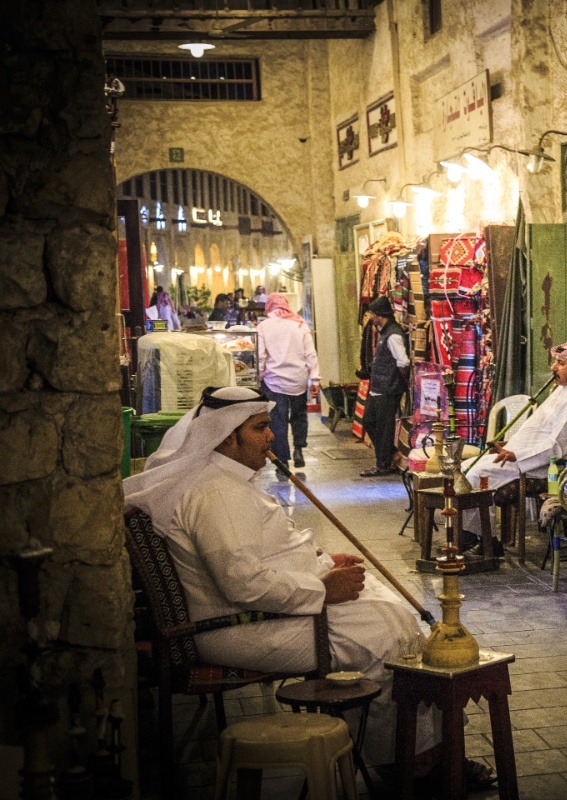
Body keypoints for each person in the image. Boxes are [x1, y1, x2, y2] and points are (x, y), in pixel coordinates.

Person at [120, 386, 452, 772]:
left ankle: (426, 754)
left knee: (396, 617)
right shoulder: (215, 492)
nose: (271, 435)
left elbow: (263, 554)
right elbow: (241, 583)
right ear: (228, 435)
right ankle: (408, 764)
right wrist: (323, 588)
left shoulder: (227, 482)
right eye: (260, 428)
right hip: (240, 629)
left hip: (270, 613)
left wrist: (324, 562)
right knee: (389, 636)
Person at [459, 338, 567, 548]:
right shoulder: (563, 390)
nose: (553, 367)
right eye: (556, 362)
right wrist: (509, 444)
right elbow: (540, 431)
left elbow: (557, 446)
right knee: (462, 469)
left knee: (475, 475)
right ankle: (477, 537)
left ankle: (481, 541)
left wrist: (517, 454)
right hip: (521, 457)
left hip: (539, 466)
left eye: (561, 363)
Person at [256, 293, 319, 473]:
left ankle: (282, 461)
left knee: (278, 420)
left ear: (269, 307)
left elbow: (260, 356)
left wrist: (259, 376)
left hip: (274, 380)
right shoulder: (300, 324)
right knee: (299, 416)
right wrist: (314, 378)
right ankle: (299, 449)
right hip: (298, 380)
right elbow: (310, 354)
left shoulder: (263, 327)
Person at [359, 296, 409, 477]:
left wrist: (397, 384)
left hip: (387, 389)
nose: (371, 317)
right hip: (379, 387)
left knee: (384, 426)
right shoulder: (385, 332)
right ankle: (391, 454)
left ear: (380, 315)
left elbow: (403, 362)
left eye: (373, 314)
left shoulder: (393, 334)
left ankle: (383, 464)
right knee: (370, 422)